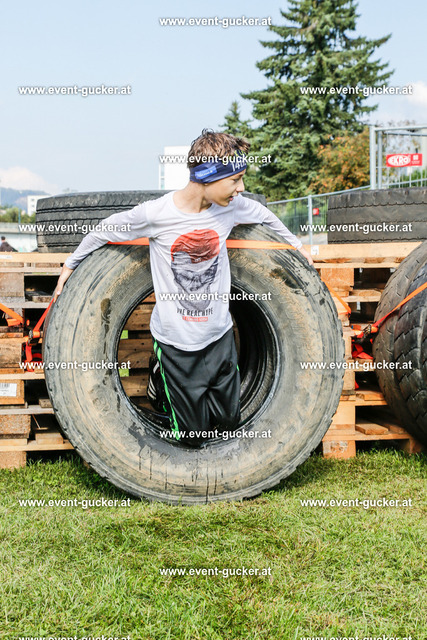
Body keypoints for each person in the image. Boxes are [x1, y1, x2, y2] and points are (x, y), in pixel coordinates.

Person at [54, 129, 313, 444]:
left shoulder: (231, 207)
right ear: (207, 177)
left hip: (219, 337)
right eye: (235, 180)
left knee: (228, 423)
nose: (242, 188)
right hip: (176, 345)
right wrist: (70, 266)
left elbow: (266, 217)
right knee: (192, 436)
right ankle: (159, 378)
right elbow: (104, 230)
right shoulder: (157, 214)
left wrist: (299, 250)